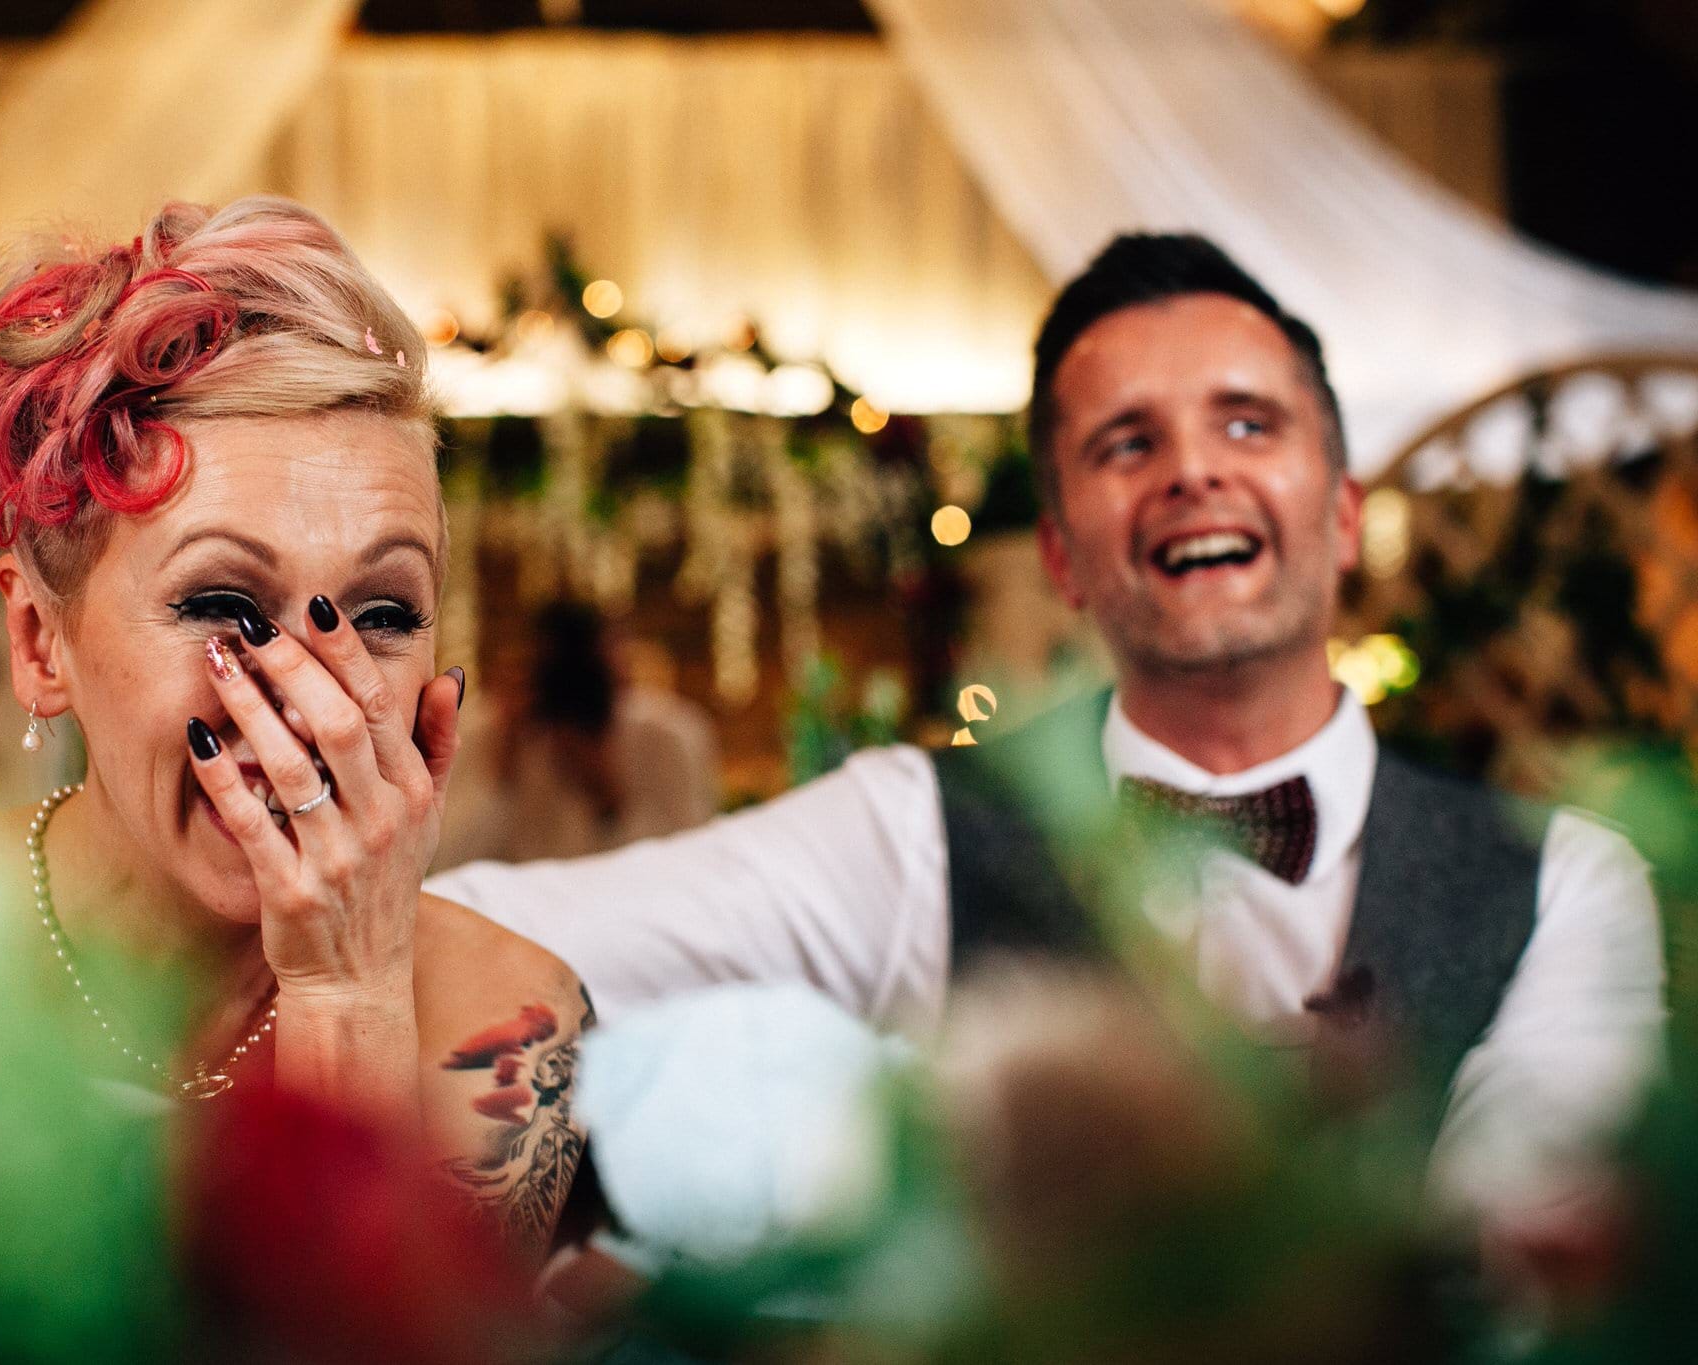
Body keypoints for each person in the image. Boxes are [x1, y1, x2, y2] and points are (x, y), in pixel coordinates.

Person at [429, 233, 1665, 1220]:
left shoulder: (1560, 880)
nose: (1191, 469)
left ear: (1339, 514)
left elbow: (1535, 1230)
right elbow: (524, 933)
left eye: (1247, 423)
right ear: (1064, 558)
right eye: (1127, 442)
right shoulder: (913, 832)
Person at [0, 196, 589, 1294]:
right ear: (40, 640)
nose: (312, 698)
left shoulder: (505, 1023)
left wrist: (348, 997)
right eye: (224, 602)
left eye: (385, 613)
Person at [433, 601, 718, 869]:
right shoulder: (484, 730)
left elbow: (690, 866)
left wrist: (609, 801)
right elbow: (448, 862)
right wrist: (502, 772)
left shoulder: (666, 735)